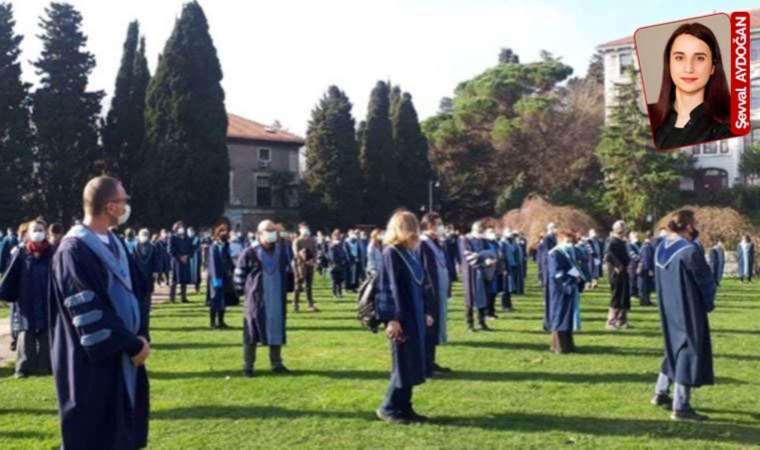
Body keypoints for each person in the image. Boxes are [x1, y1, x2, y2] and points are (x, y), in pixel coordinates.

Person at [49, 176, 150, 449]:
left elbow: (138, 291)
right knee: (94, 435)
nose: (127, 205)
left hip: (126, 354)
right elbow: (89, 310)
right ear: (110, 206)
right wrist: (132, 343)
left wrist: (141, 336)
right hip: (93, 362)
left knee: (122, 434)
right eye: (123, 200)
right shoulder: (73, 249)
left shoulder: (116, 243)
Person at [651, 209, 716, 421]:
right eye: (694, 223)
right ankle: (681, 406)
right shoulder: (689, 251)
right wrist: (708, 303)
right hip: (689, 308)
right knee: (688, 351)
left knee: (674, 346)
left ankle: (660, 392)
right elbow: (705, 281)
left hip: (668, 307)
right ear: (688, 226)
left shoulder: (660, 248)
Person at [375, 210, 433, 424]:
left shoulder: (410, 253)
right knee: (402, 364)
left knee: (411, 363)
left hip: (414, 316)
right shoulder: (391, 253)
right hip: (401, 318)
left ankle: (405, 407)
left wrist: (426, 311)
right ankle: (388, 407)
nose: (415, 233)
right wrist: (391, 318)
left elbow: (420, 285)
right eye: (412, 228)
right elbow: (386, 288)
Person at [648, 23, 732, 150]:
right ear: (669, 64)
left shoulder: (727, 127)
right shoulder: (650, 119)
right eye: (679, 58)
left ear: (713, 67)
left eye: (699, 58)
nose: (689, 68)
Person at [235, 220, 290, 377]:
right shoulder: (249, 252)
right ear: (259, 233)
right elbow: (239, 275)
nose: (272, 233)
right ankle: (248, 366)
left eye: (273, 230)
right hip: (256, 298)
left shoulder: (281, 252)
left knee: (276, 328)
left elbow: (287, 271)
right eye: (268, 230)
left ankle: (276, 363)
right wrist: (241, 292)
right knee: (252, 331)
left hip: (276, 298)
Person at [0, 219, 54, 377]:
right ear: (29, 233)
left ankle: (46, 366)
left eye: (40, 229)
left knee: (46, 333)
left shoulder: (52, 252)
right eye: (35, 230)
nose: (38, 232)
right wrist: (6, 293)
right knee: (26, 332)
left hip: (46, 297)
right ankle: (23, 367)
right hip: (26, 298)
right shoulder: (21, 252)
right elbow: (11, 274)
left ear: (45, 232)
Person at [418, 213, 452, 377]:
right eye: (438, 224)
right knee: (429, 329)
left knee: (435, 328)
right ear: (429, 226)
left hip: (439, 293)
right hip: (430, 294)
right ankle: (424, 366)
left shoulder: (436, 243)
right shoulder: (423, 244)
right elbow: (426, 272)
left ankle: (431, 361)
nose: (441, 227)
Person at [546, 230, 583, 353]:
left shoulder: (566, 253)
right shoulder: (555, 254)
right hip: (559, 290)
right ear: (560, 240)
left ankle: (568, 345)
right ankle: (558, 346)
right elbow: (557, 273)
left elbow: (571, 268)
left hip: (568, 289)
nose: (570, 244)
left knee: (567, 317)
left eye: (571, 242)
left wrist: (578, 277)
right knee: (560, 316)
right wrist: (567, 284)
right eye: (568, 241)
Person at [459, 221, 491, 332]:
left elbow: (489, 252)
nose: (480, 233)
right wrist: (483, 260)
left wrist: (489, 258)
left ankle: (482, 322)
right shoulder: (465, 239)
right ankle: (470, 324)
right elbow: (468, 255)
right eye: (479, 230)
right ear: (474, 229)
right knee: (470, 297)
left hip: (482, 272)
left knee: (482, 297)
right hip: (470, 272)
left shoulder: (483, 240)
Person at [128, 228, 160, 337]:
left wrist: (156, 272)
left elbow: (156, 261)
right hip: (137, 281)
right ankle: (137, 331)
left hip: (148, 279)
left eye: (146, 234)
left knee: (146, 307)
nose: (144, 236)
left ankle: (145, 333)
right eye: (143, 234)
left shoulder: (153, 247)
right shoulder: (134, 247)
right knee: (136, 306)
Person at [208, 218, 235, 329]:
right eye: (223, 231)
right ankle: (212, 322)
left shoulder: (226, 245)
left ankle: (221, 321)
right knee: (215, 299)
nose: (225, 233)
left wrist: (232, 271)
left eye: (227, 231)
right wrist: (215, 279)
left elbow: (229, 260)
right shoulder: (214, 246)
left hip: (225, 276)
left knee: (223, 299)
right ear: (218, 233)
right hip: (216, 276)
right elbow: (213, 263)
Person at [604, 220, 631, 330]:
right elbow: (608, 255)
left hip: (624, 272)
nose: (625, 230)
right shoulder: (612, 241)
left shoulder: (621, 241)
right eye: (623, 228)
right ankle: (611, 321)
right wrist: (618, 265)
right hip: (616, 273)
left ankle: (622, 320)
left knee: (624, 296)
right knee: (616, 296)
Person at [292, 222, 318, 313]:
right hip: (300, 265)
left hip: (310, 265)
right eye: (303, 228)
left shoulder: (312, 240)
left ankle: (310, 304)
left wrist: (314, 260)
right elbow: (296, 254)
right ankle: (296, 303)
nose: (306, 230)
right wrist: (304, 259)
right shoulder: (297, 241)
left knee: (309, 286)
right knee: (298, 285)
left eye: (306, 227)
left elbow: (315, 252)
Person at [168, 221, 196, 303]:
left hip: (185, 260)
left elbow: (192, 249)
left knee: (184, 279)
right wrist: (179, 256)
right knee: (174, 280)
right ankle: (172, 298)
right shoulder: (172, 237)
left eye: (182, 226)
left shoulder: (188, 238)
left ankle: (183, 297)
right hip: (176, 261)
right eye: (179, 227)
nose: (181, 228)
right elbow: (170, 250)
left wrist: (187, 256)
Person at [328, 230, 349, 299]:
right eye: (336, 235)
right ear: (333, 236)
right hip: (334, 265)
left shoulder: (341, 244)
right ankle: (334, 294)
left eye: (338, 235)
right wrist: (333, 246)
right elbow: (331, 256)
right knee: (334, 280)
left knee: (340, 280)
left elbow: (344, 253)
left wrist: (344, 260)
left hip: (341, 264)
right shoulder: (331, 245)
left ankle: (340, 293)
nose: (338, 237)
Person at [638, 231, 656, 306]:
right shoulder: (647, 246)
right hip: (645, 269)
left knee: (647, 286)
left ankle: (647, 300)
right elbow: (647, 258)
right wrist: (650, 270)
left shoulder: (645, 245)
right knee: (644, 286)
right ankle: (644, 301)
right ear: (651, 237)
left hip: (645, 268)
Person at [627, 231, 641, 300]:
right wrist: (640, 258)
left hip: (637, 264)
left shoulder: (638, 244)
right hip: (632, 265)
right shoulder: (629, 245)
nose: (636, 238)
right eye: (635, 236)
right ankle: (631, 294)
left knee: (636, 279)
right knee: (632, 279)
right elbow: (632, 255)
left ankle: (636, 293)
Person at [188, 227, 203, 293]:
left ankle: (197, 288)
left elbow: (199, 247)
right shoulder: (187, 239)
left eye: (191, 231)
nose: (190, 233)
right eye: (188, 231)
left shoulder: (197, 238)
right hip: (189, 258)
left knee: (197, 273)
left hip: (196, 257)